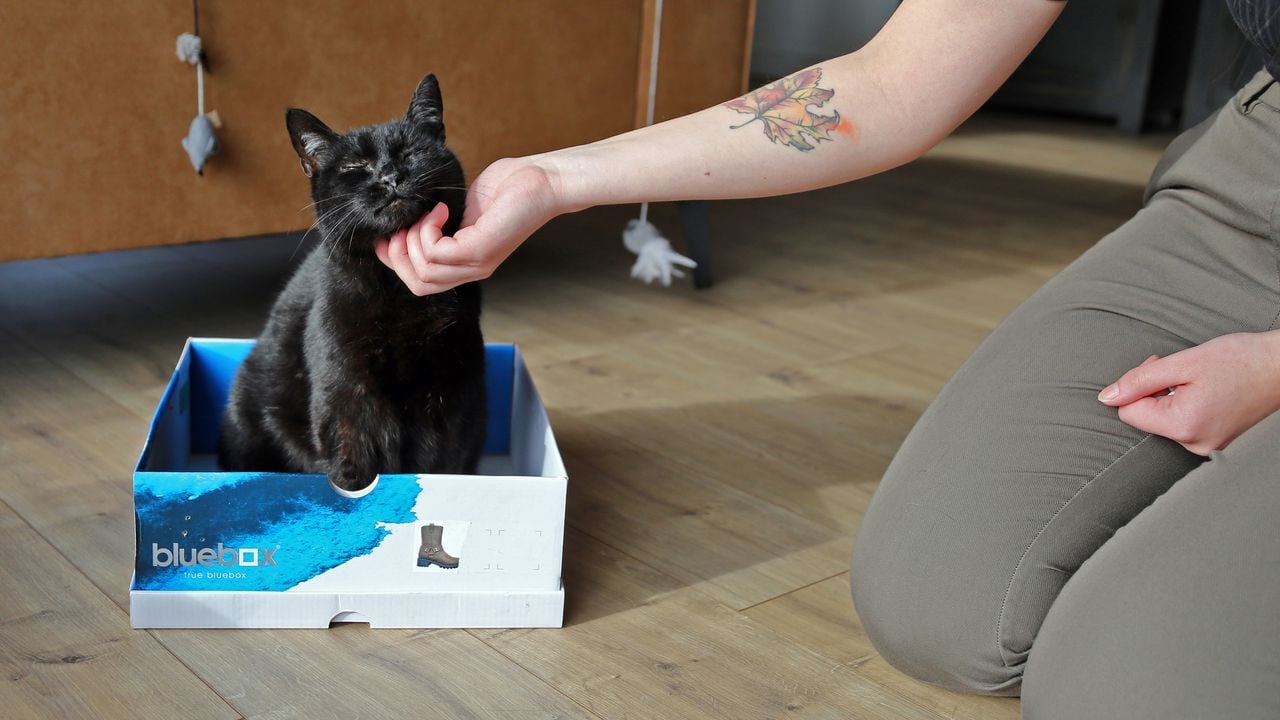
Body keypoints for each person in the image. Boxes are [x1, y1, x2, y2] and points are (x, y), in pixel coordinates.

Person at [376, 1, 1280, 716]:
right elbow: (890, 83)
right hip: (1259, 184)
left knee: (1123, 690)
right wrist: (558, 180)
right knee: (938, 606)